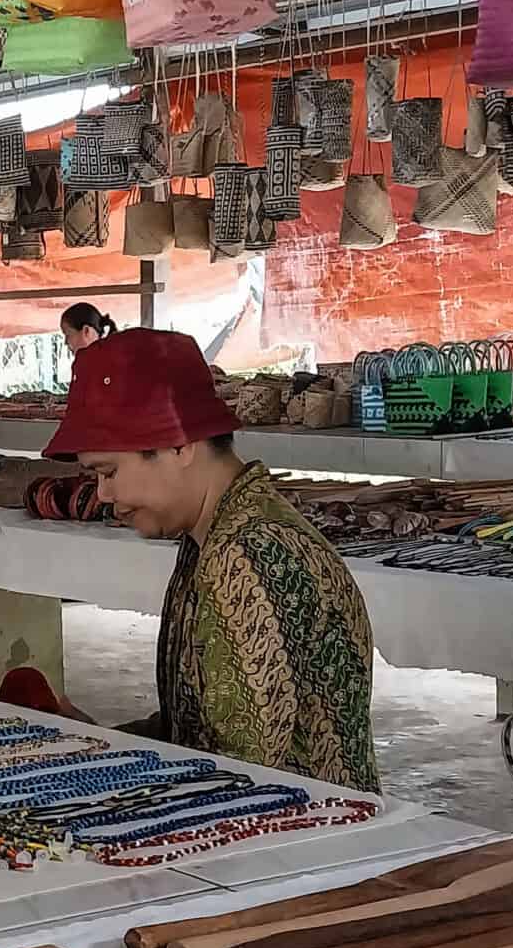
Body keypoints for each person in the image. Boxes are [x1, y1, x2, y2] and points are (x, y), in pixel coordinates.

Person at [47, 328, 380, 791]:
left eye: (109, 472)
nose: (103, 495)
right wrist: (93, 742)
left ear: (180, 445)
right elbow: (199, 728)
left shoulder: (246, 557)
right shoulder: (217, 535)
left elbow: (237, 780)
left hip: (300, 845)